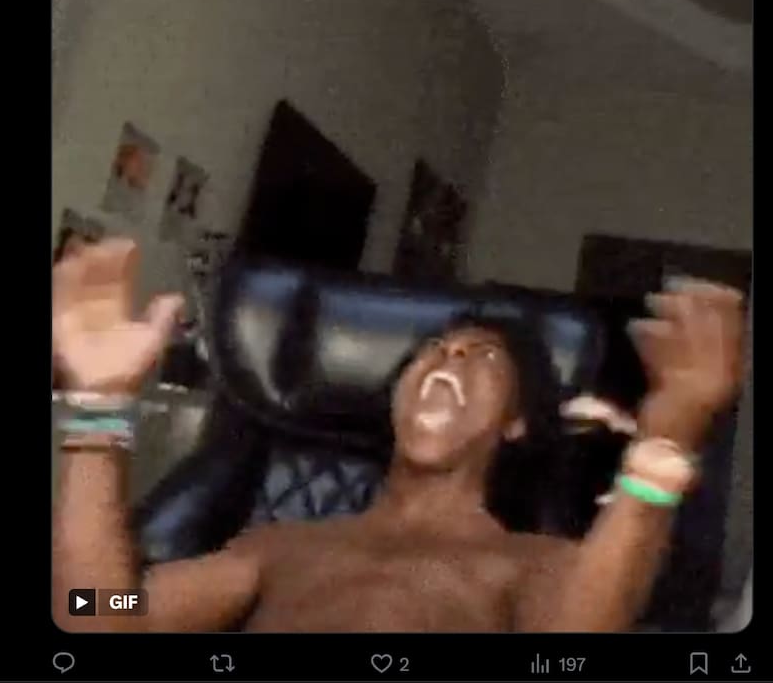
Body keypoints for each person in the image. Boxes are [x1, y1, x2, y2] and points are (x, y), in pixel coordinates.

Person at [52, 239, 745, 633]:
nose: (449, 357)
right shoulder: (276, 549)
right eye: (434, 351)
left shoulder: (531, 564)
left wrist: (668, 440)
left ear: (516, 422)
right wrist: (97, 407)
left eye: (481, 356)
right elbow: (100, 614)